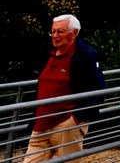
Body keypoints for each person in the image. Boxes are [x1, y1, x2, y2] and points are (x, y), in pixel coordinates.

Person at [23, 14, 106, 163]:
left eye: (60, 31)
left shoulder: (86, 55)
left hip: (66, 125)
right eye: (53, 31)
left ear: (74, 32)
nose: (55, 35)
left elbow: (98, 89)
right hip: (41, 125)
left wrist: (76, 119)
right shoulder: (49, 53)